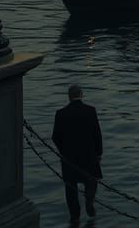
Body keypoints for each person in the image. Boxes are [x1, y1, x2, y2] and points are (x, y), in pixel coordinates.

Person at [52, 84, 103, 225]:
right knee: (92, 181)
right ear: (81, 95)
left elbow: (55, 137)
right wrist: (98, 153)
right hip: (89, 155)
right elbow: (97, 135)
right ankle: (89, 201)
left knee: (71, 188)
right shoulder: (91, 111)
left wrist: (63, 152)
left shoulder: (60, 114)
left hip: (69, 158)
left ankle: (74, 216)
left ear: (69, 97)